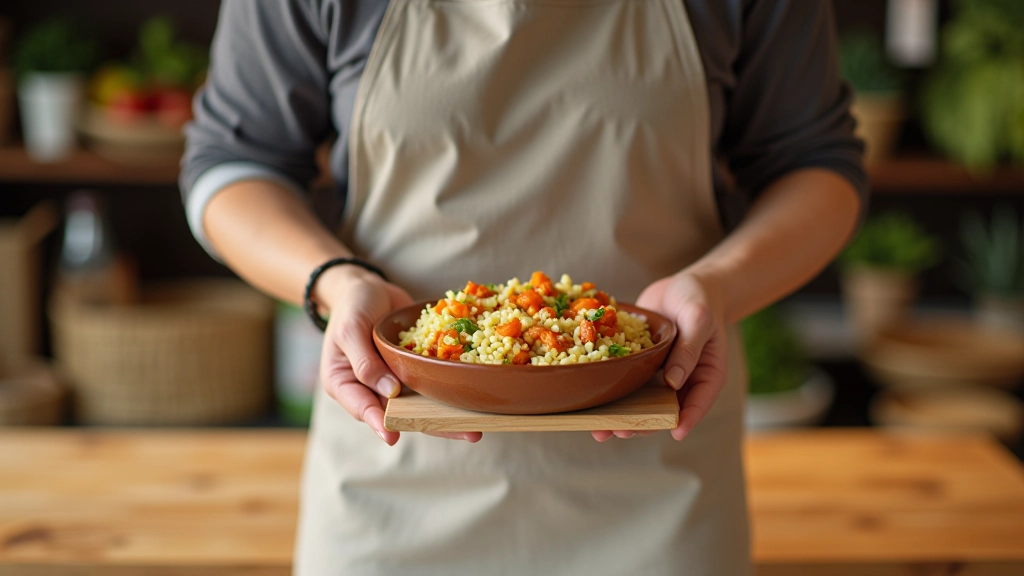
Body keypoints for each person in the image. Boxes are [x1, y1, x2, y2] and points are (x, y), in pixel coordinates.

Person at [181, 1, 866, 574]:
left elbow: (817, 166)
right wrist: (335, 280)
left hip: (660, 483)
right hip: (393, 476)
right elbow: (232, 163)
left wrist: (717, 286)